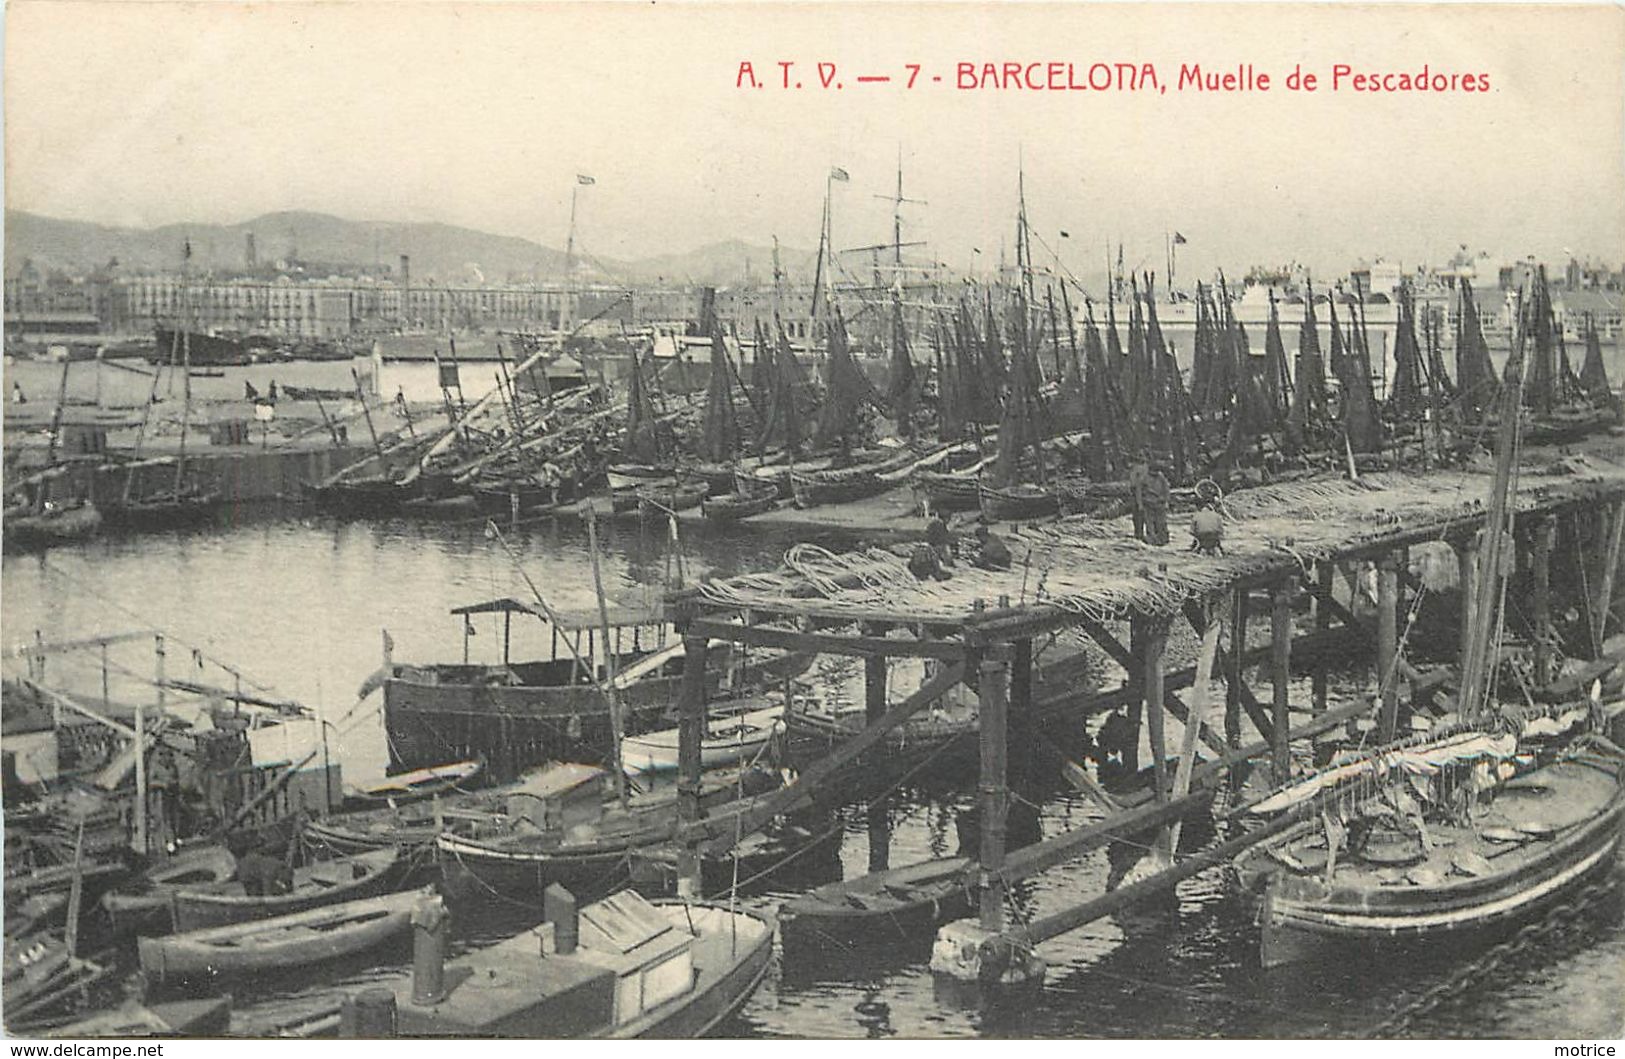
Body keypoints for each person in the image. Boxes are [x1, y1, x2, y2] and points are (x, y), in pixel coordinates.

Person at [1144, 463, 1171, 546]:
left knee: (1161, 522)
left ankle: (1162, 539)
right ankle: (1152, 539)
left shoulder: (1161, 478)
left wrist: (1165, 500)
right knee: (1150, 522)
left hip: (1159, 502)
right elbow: (1141, 490)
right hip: (1149, 502)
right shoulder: (1145, 477)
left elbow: (1166, 490)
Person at [1127, 458, 1150, 542]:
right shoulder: (1135, 468)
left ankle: (1144, 533)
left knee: (1143, 514)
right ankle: (1138, 533)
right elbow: (1132, 482)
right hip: (1135, 492)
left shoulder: (1145, 468)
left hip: (1143, 492)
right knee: (1137, 515)